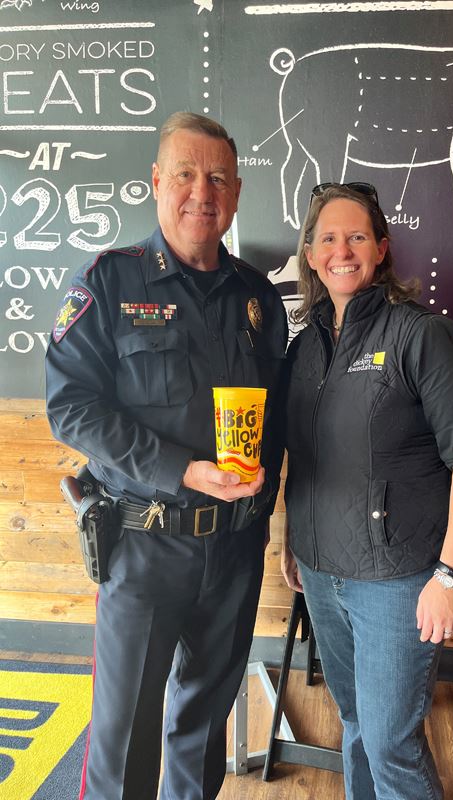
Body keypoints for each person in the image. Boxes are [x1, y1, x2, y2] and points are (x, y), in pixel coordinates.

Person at [45, 112, 287, 800]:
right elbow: (72, 408)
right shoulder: (108, 282)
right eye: (185, 174)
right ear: (156, 182)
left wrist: (269, 514)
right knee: (122, 740)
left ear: (236, 194)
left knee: (203, 729)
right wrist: (177, 468)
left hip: (234, 549)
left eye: (217, 178)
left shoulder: (258, 298)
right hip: (144, 547)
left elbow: (275, 420)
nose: (200, 192)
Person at [281, 182, 453, 800]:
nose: (341, 250)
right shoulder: (305, 346)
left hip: (399, 582)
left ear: (380, 248)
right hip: (323, 575)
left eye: (356, 236)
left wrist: (450, 577)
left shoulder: (420, 334)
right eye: (327, 238)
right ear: (310, 252)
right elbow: (304, 456)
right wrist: (290, 540)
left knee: (390, 744)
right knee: (353, 727)